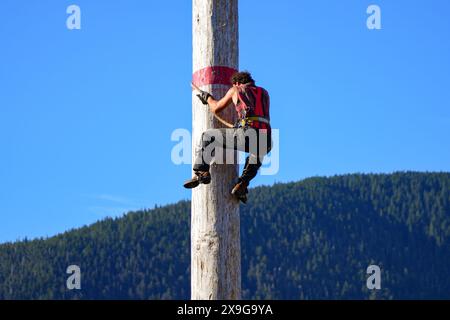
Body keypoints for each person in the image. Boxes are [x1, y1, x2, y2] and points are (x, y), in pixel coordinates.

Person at [183, 71, 272, 204]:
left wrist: (206, 97)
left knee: (209, 136)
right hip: (267, 138)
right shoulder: (264, 93)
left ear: (237, 83)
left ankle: (202, 172)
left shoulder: (236, 89)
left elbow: (216, 108)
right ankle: (242, 184)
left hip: (248, 133)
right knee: (256, 155)